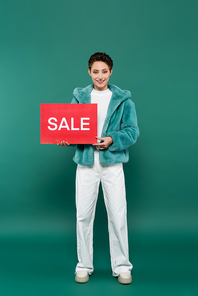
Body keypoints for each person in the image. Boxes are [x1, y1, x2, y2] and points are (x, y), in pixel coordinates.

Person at [58, 52, 139, 285]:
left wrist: (112, 139)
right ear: (89, 72)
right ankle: (83, 265)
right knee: (83, 215)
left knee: (118, 216)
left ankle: (122, 266)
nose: (100, 76)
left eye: (104, 71)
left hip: (112, 164)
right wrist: (66, 138)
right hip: (86, 163)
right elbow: (72, 128)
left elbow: (133, 131)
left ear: (111, 72)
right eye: (95, 71)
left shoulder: (123, 100)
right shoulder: (80, 97)